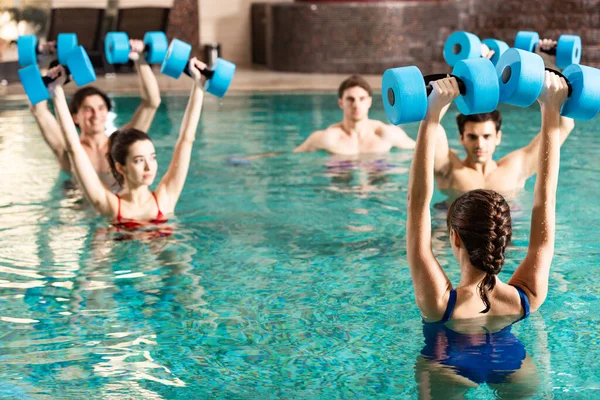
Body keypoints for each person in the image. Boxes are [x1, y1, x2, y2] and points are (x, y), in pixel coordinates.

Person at [406, 70, 567, 390]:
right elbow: (545, 199)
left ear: (454, 236)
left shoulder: (440, 302)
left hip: (446, 363)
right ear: (505, 239)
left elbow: (417, 204)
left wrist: (430, 114)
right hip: (513, 363)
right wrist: (552, 108)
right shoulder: (526, 298)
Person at [48, 57, 206, 226]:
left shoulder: (166, 198)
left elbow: (186, 139)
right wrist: (56, 90)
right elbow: (74, 148)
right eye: (139, 160)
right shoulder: (110, 206)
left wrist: (199, 85)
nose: (148, 167)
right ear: (120, 167)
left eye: (153, 157)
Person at [433, 39, 574, 204]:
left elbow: (565, 126)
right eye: (472, 137)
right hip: (451, 228)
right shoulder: (449, 169)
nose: (480, 144)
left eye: (487, 136)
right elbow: (431, 125)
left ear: (498, 137)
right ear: (461, 138)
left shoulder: (516, 168)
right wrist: (463, 76)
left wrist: (547, 63)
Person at [29, 40, 162, 192]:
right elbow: (39, 111)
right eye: (88, 109)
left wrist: (139, 59)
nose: (96, 115)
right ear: (75, 117)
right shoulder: (67, 150)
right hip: (76, 209)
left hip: (117, 207)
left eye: (100, 108)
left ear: (107, 112)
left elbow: (152, 102)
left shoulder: (122, 144)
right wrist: (43, 64)